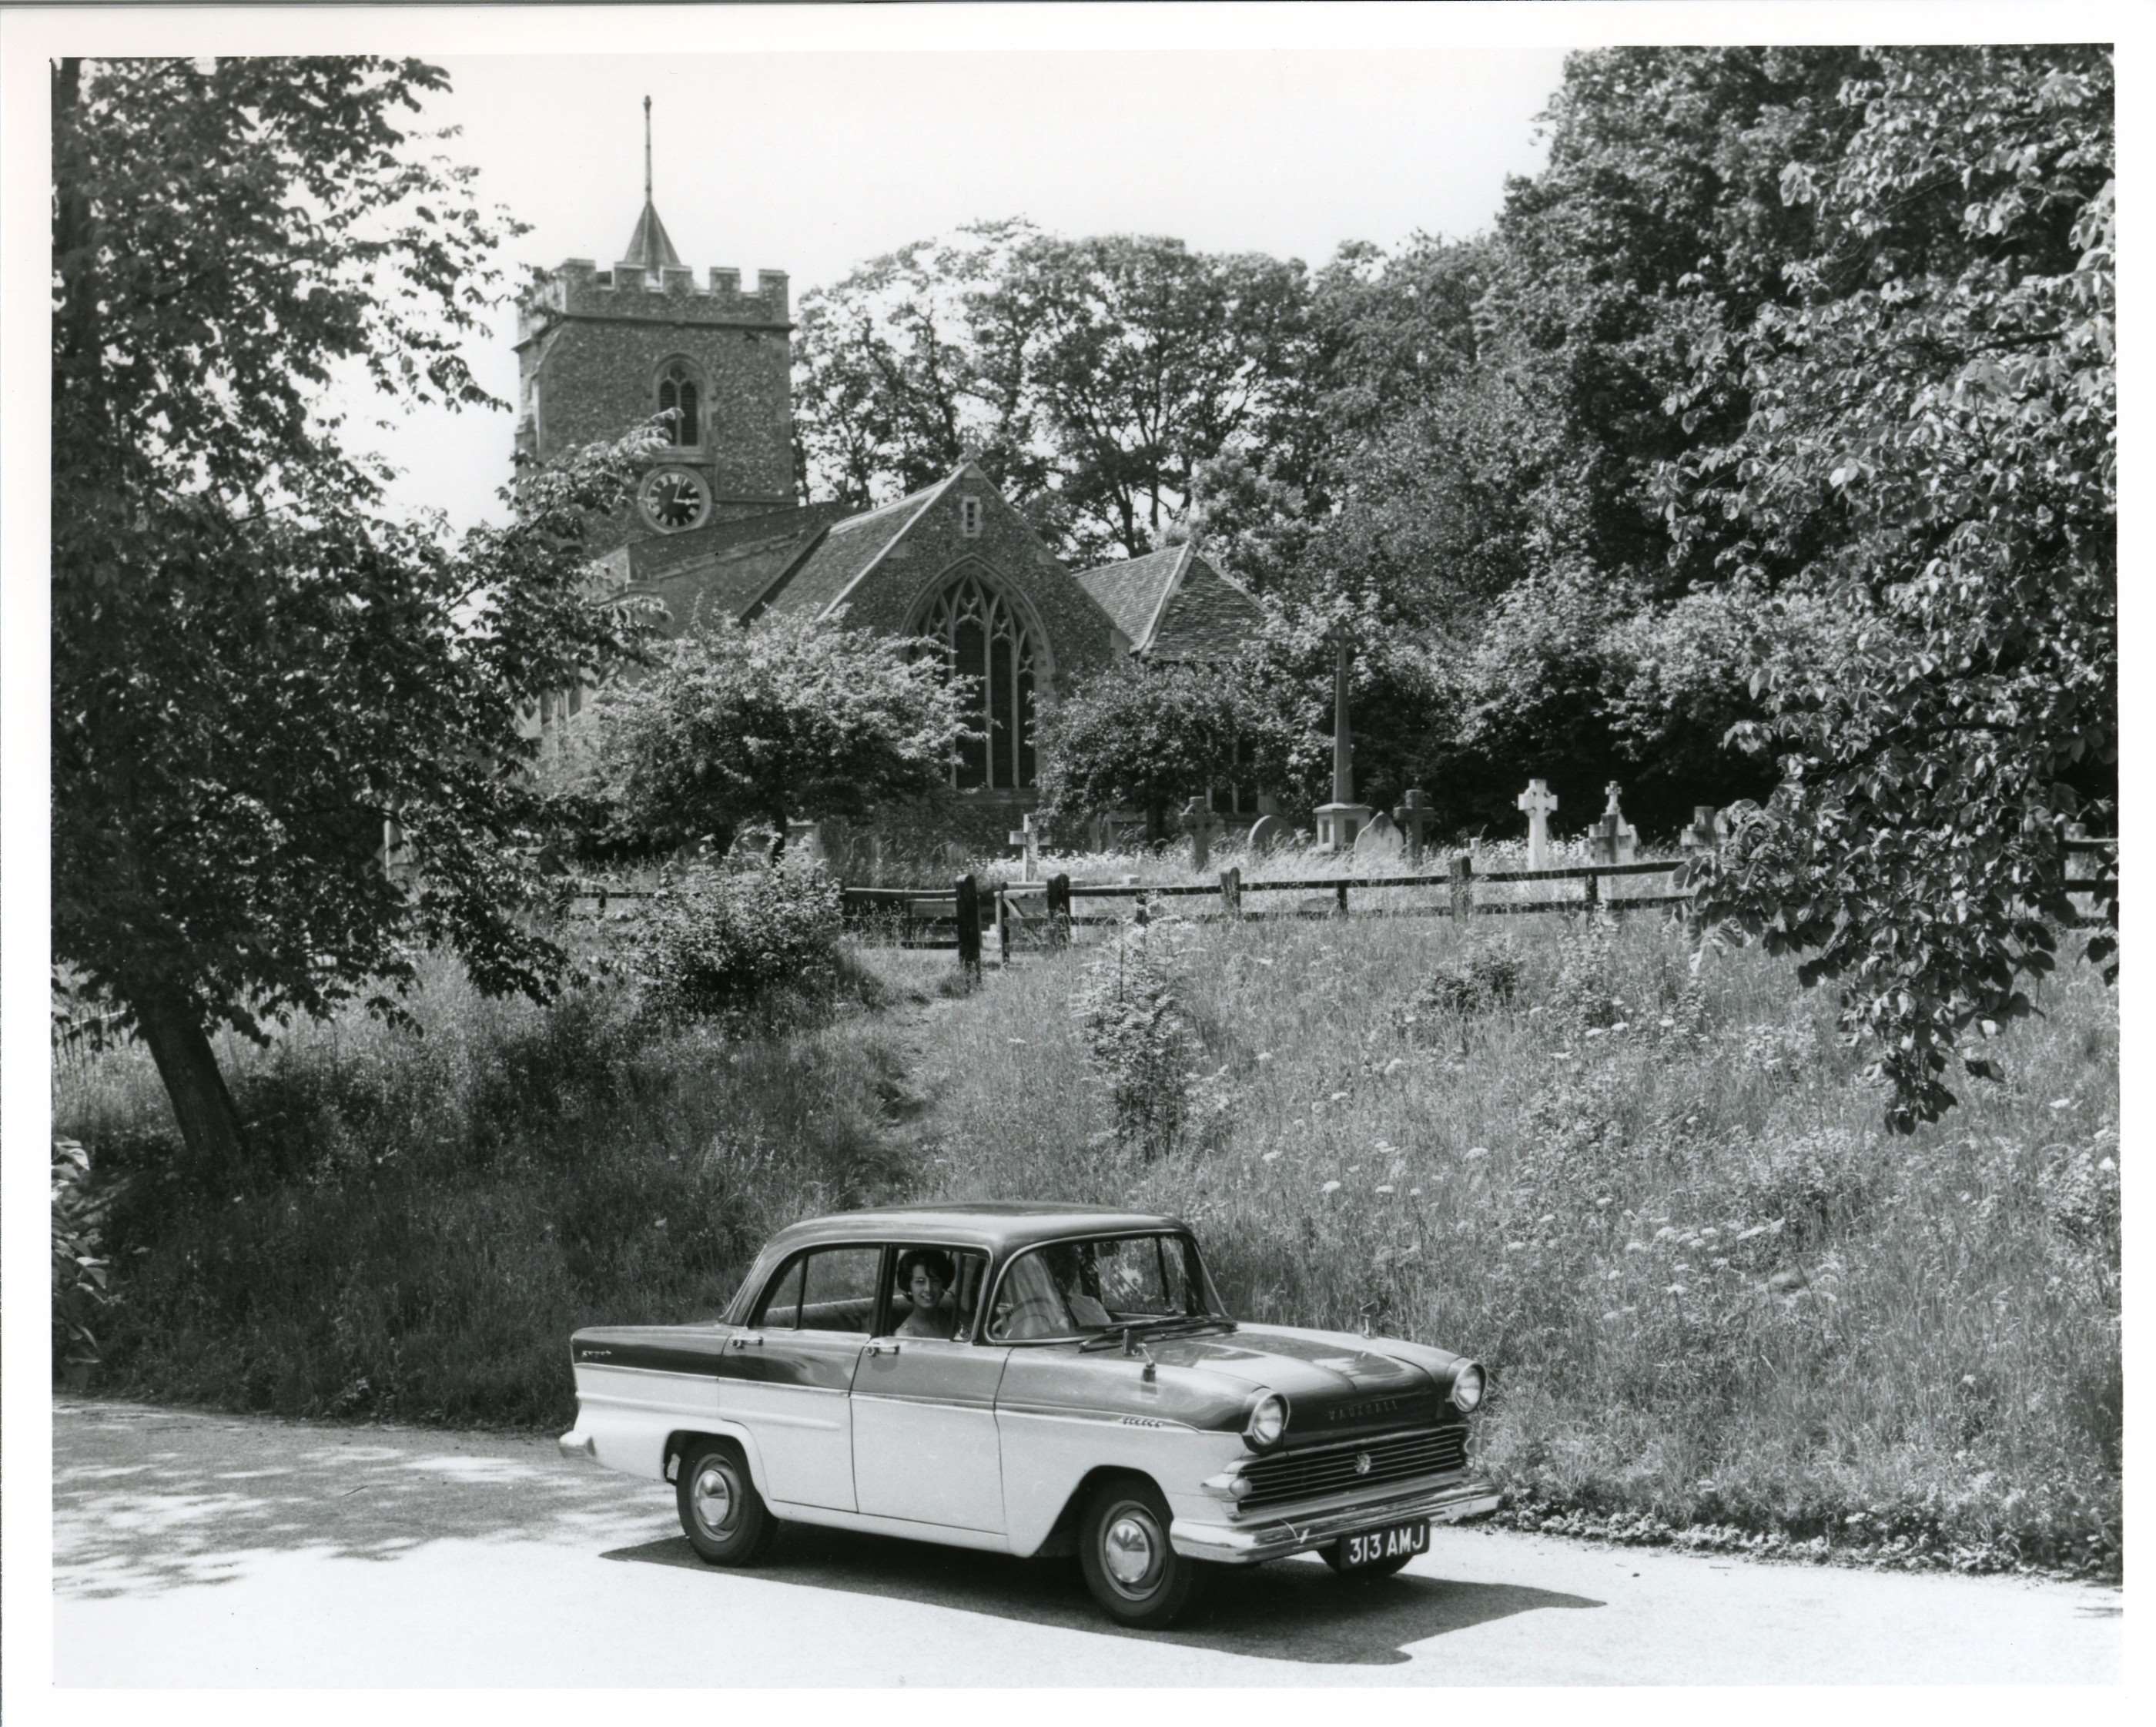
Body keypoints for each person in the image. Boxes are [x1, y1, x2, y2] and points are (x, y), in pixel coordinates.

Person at [893, 1247, 957, 1340]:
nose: (928, 1289)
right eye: (920, 1281)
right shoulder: (906, 1335)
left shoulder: (948, 1320)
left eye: (935, 1281)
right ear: (909, 1285)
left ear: (943, 1284)